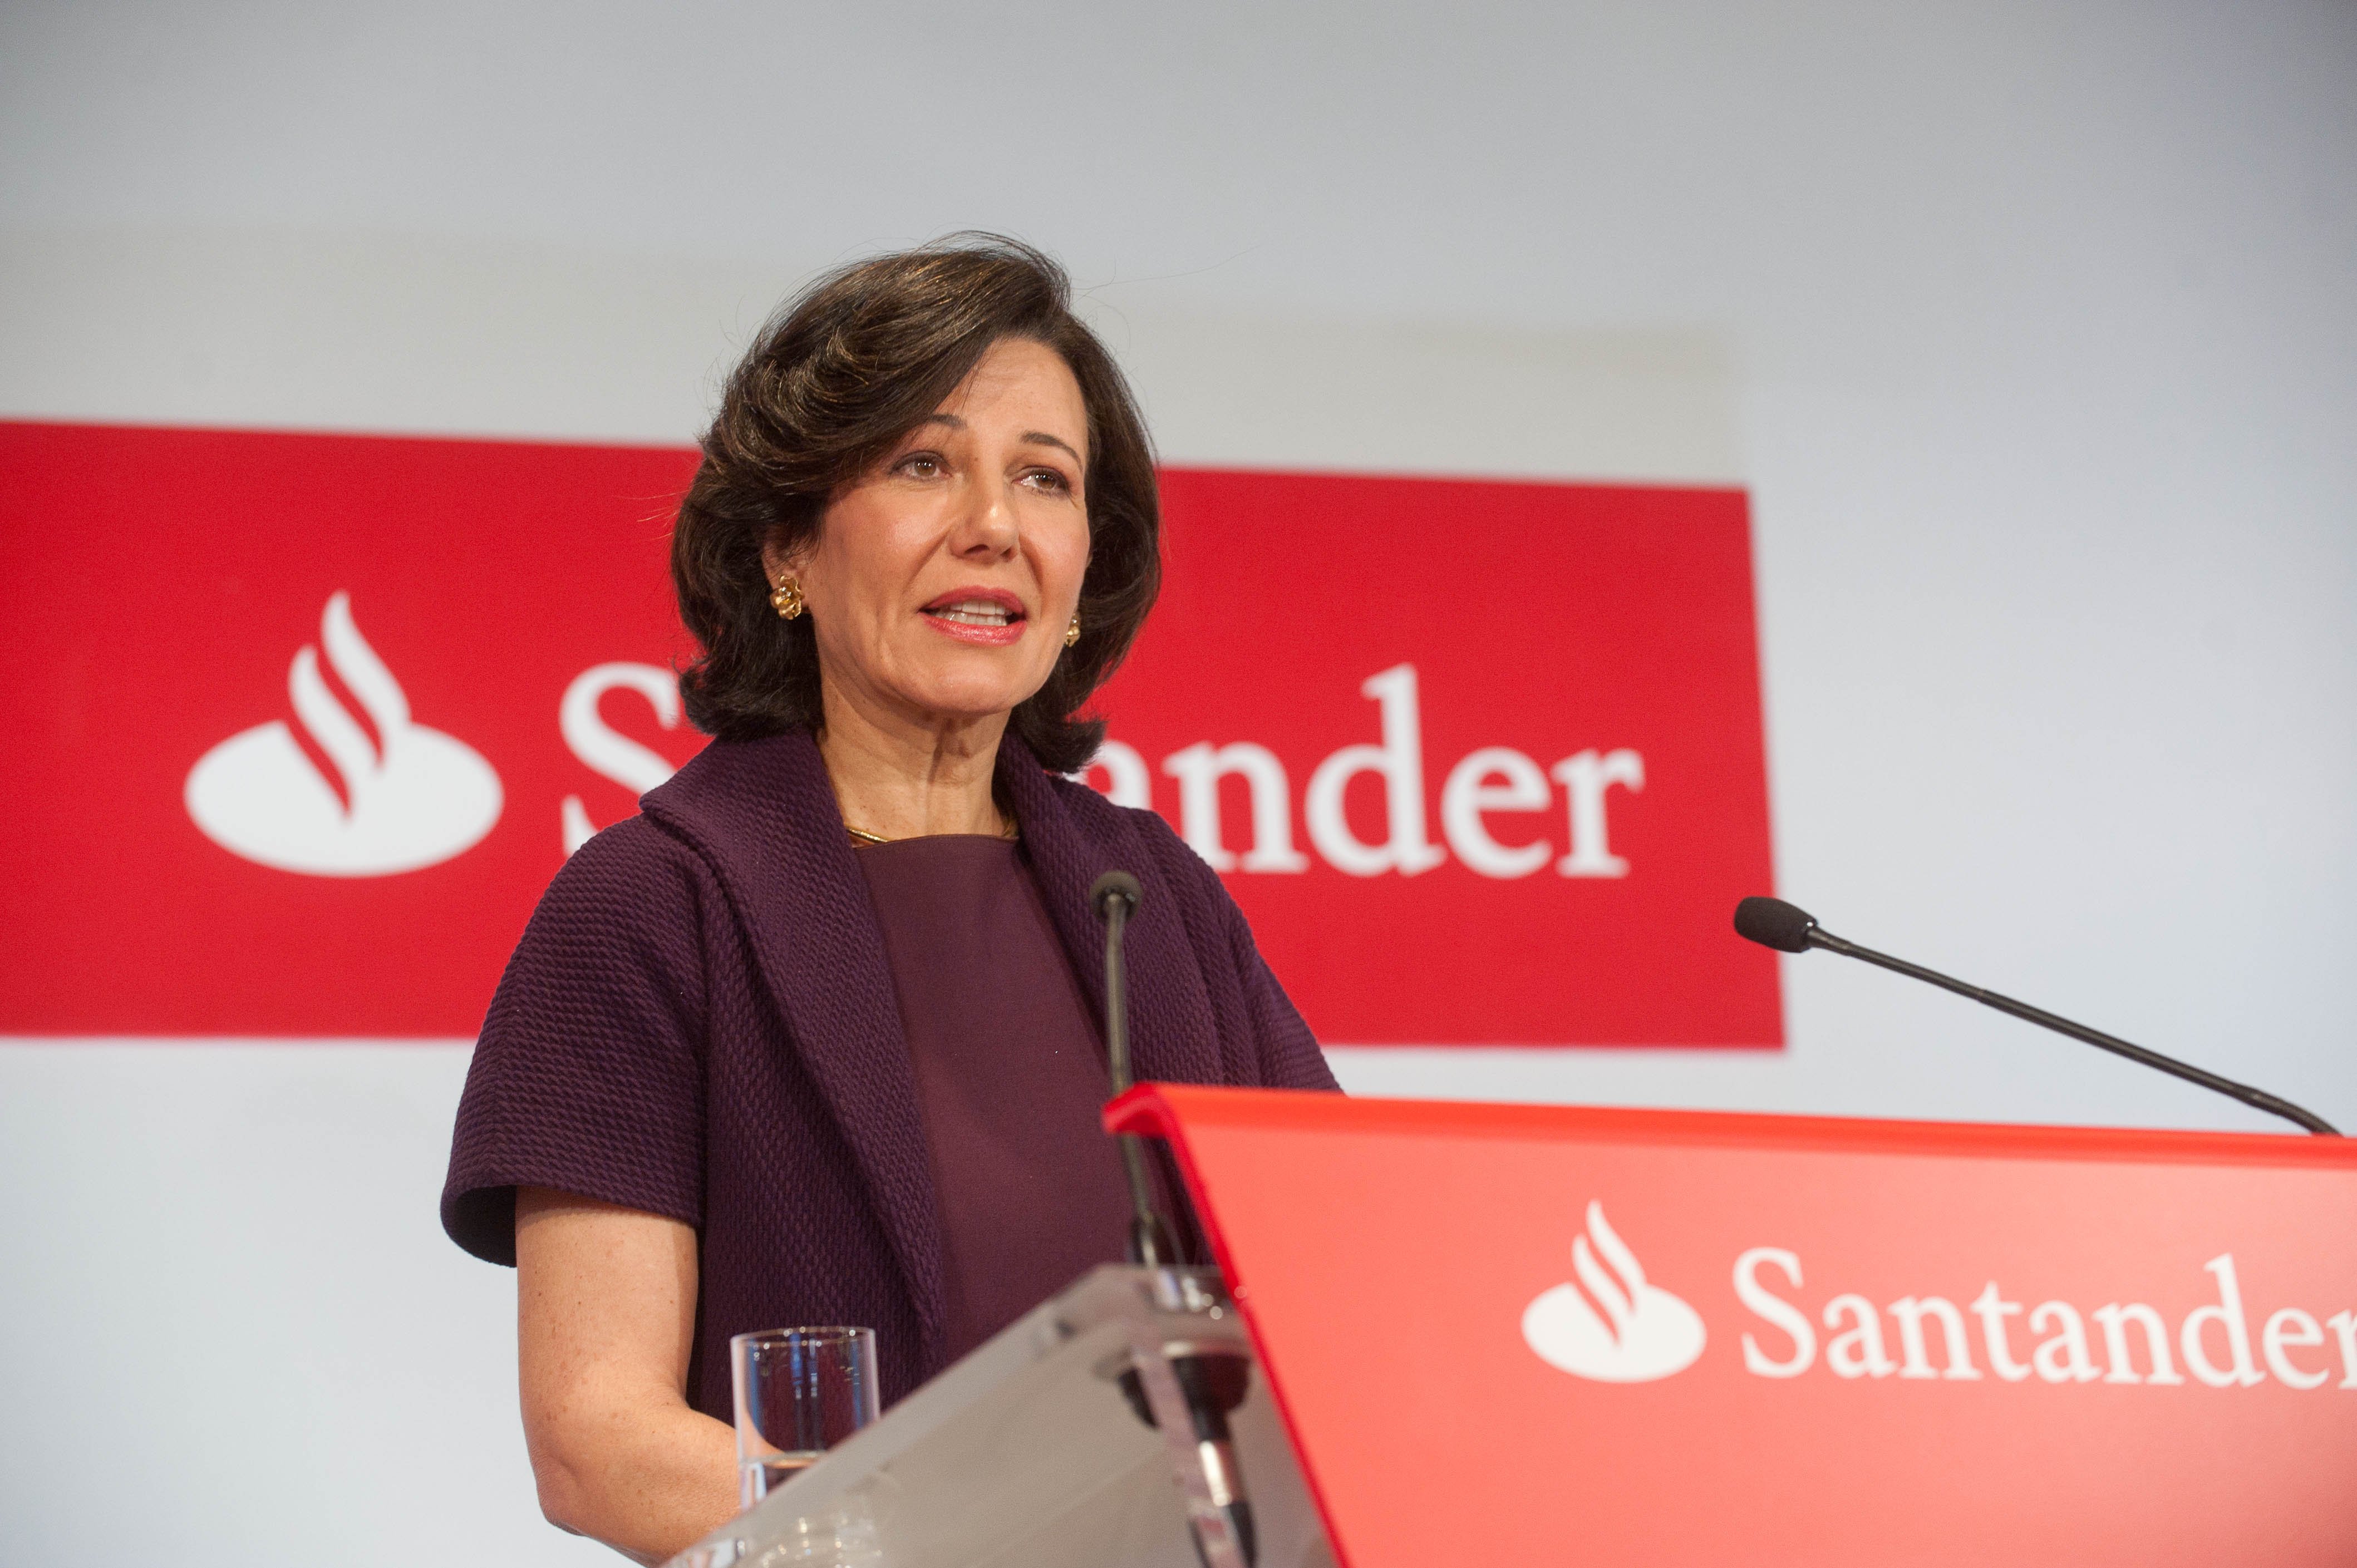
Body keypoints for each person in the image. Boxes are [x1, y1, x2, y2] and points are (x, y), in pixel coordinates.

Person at [439, 236, 1337, 1563]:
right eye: (924, 463)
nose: (994, 521)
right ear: (787, 545)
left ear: (1086, 565)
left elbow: (1342, 1322)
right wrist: (979, 1543)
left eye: (1045, 476)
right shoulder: (651, 906)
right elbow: (600, 1441)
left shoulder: (1153, 901)